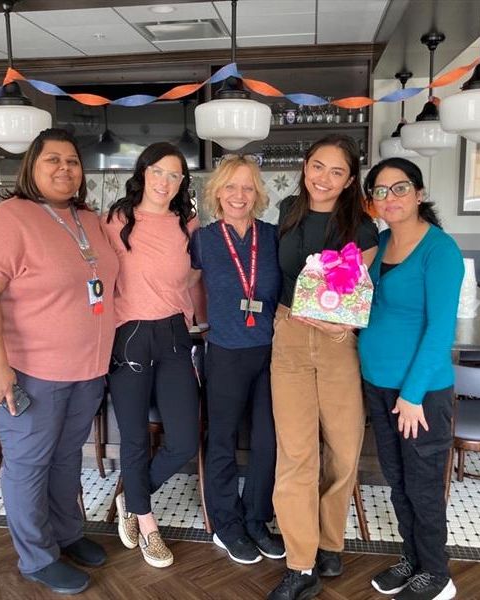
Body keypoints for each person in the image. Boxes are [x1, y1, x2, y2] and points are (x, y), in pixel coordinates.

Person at [0, 128, 118, 595]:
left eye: (72, 161)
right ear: (31, 166)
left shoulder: (88, 218)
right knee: (29, 463)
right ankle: (37, 556)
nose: (65, 169)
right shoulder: (7, 220)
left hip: (85, 370)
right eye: (53, 160)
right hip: (26, 370)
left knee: (66, 458)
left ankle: (67, 534)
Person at [268, 135, 379, 600]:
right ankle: (301, 564)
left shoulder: (363, 227)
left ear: (350, 179)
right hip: (289, 335)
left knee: (343, 449)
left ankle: (331, 542)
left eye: (337, 172)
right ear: (305, 165)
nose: (324, 178)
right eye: (318, 166)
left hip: (337, 342)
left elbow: (354, 295)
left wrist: (342, 327)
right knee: (296, 455)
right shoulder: (287, 210)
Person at [359, 158, 463, 600]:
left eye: (398, 188)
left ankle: (437, 574)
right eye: (380, 192)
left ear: (419, 194)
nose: (389, 198)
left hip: (418, 394)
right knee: (396, 479)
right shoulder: (379, 245)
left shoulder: (440, 250)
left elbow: (440, 329)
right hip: (377, 385)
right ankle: (412, 559)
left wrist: (414, 394)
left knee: (421, 484)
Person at [102, 142, 201, 569]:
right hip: (129, 335)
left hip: (176, 335)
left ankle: (130, 495)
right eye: (158, 171)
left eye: (174, 175)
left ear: (182, 182)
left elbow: (198, 276)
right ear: (143, 172)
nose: (164, 181)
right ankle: (147, 524)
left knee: (182, 440)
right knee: (136, 436)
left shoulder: (190, 224)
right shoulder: (116, 221)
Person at [188, 155, 284, 565]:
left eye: (247, 187)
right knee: (222, 439)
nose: (238, 195)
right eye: (230, 186)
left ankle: (257, 517)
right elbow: (186, 287)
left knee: (267, 439)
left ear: (258, 193)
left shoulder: (276, 235)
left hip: (271, 352)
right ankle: (226, 523)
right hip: (225, 352)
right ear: (216, 193)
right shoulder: (203, 238)